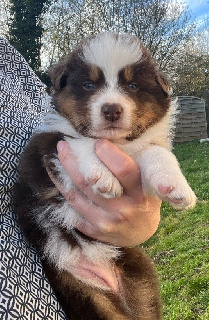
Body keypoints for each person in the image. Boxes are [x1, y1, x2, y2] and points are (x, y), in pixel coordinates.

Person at [0, 37, 161, 319]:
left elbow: (59, 120)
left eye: (131, 87)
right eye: (89, 86)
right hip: (54, 273)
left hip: (103, 261)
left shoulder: (10, 61)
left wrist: (142, 219)